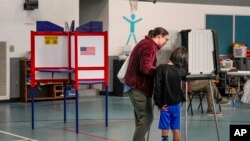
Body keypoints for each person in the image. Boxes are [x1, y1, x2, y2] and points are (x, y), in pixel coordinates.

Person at [124, 27, 169, 141]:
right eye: (165, 39)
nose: (166, 42)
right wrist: (160, 71)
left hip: (133, 86)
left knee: (141, 120)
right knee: (147, 118)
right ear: (159, 36)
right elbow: (146, 68)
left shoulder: (145, 42)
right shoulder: (149, 46)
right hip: (138, 87)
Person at [153, 47, 188, 141]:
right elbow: (186, 74)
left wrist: (158, 103)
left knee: (165, 128)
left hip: (164, 104)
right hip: (176, 104)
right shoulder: (181, 71)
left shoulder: (160, 68)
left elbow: (157, 88)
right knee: (176, 128)